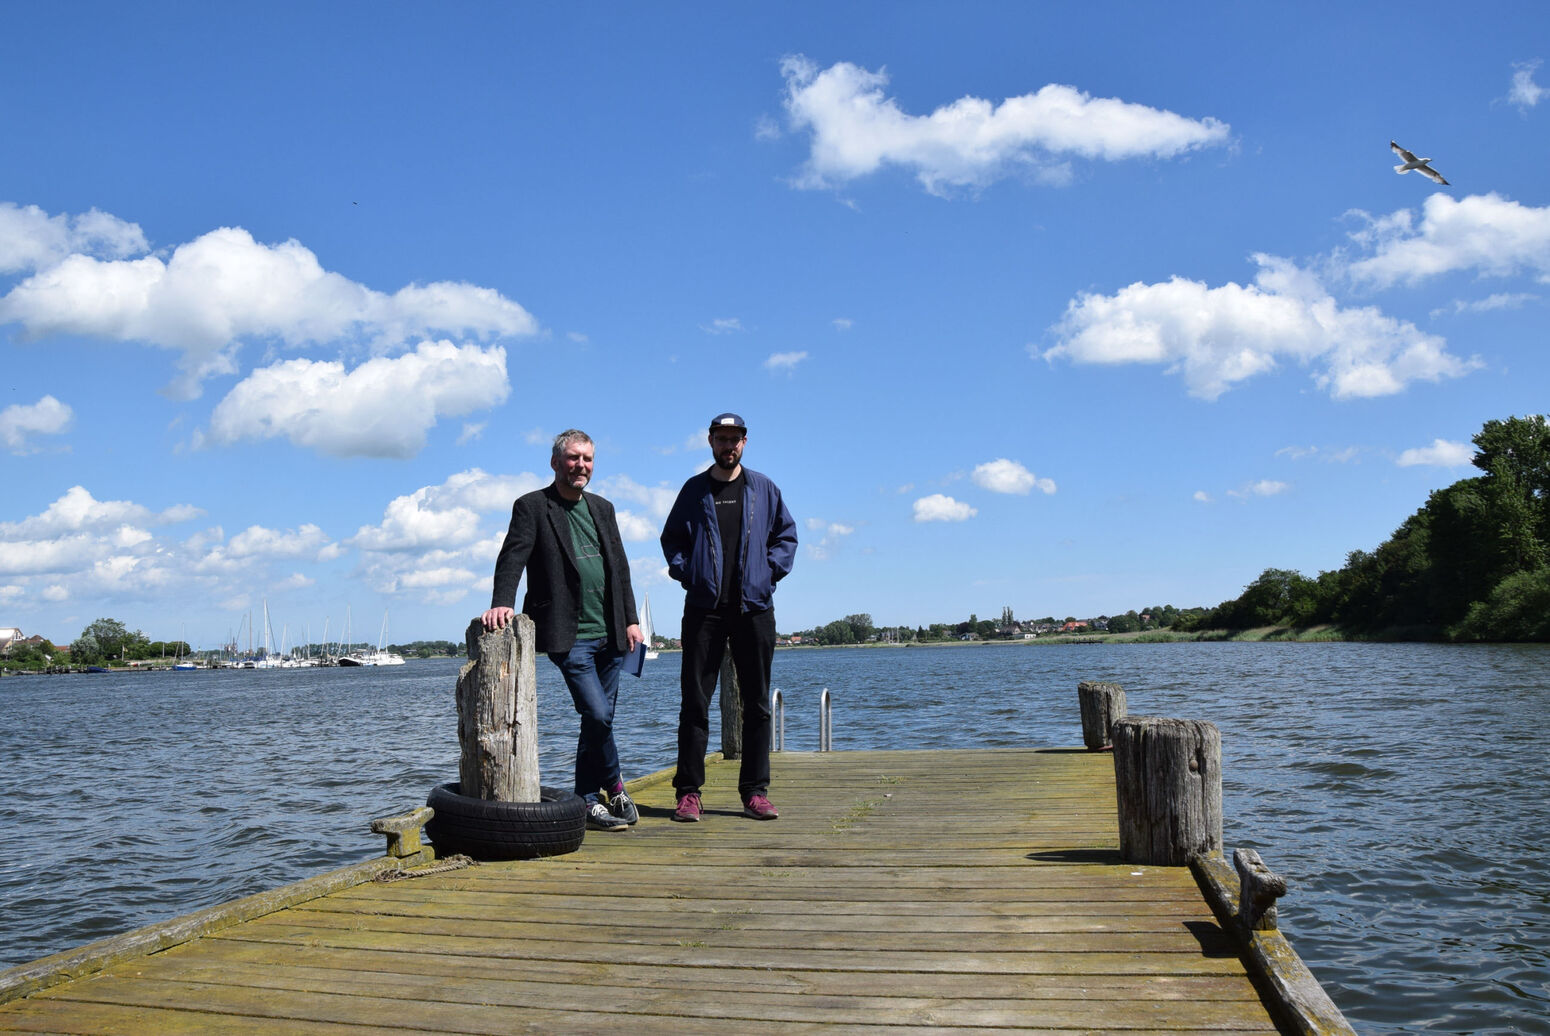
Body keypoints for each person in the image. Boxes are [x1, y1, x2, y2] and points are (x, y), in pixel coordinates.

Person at [482, 429, 643, 832]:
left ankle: (589, 801)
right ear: (556, 462)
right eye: (573, 458)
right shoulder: (533, 506)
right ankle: (616, 785)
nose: (581, 466)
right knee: (597, 713)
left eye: (587, 459)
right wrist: (502, 600)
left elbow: (619, 567)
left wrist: (631, 619)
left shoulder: (603, 508)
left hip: (612, 633)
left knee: (598, 721)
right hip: (568, 634)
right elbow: (513, 555)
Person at [660, 412, 797, 822]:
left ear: (745, 442)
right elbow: (672, 540)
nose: (728, 446)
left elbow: (786, 537)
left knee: (757, 705)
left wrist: (767, 573)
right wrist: (692, 575)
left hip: (754, 610)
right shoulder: (694, 491)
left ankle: (755, 792)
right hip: (704, 612)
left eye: (735, 439)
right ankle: (689, 793)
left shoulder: (764, 489)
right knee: (695, 704)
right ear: (710, 441)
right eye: (721, 438)